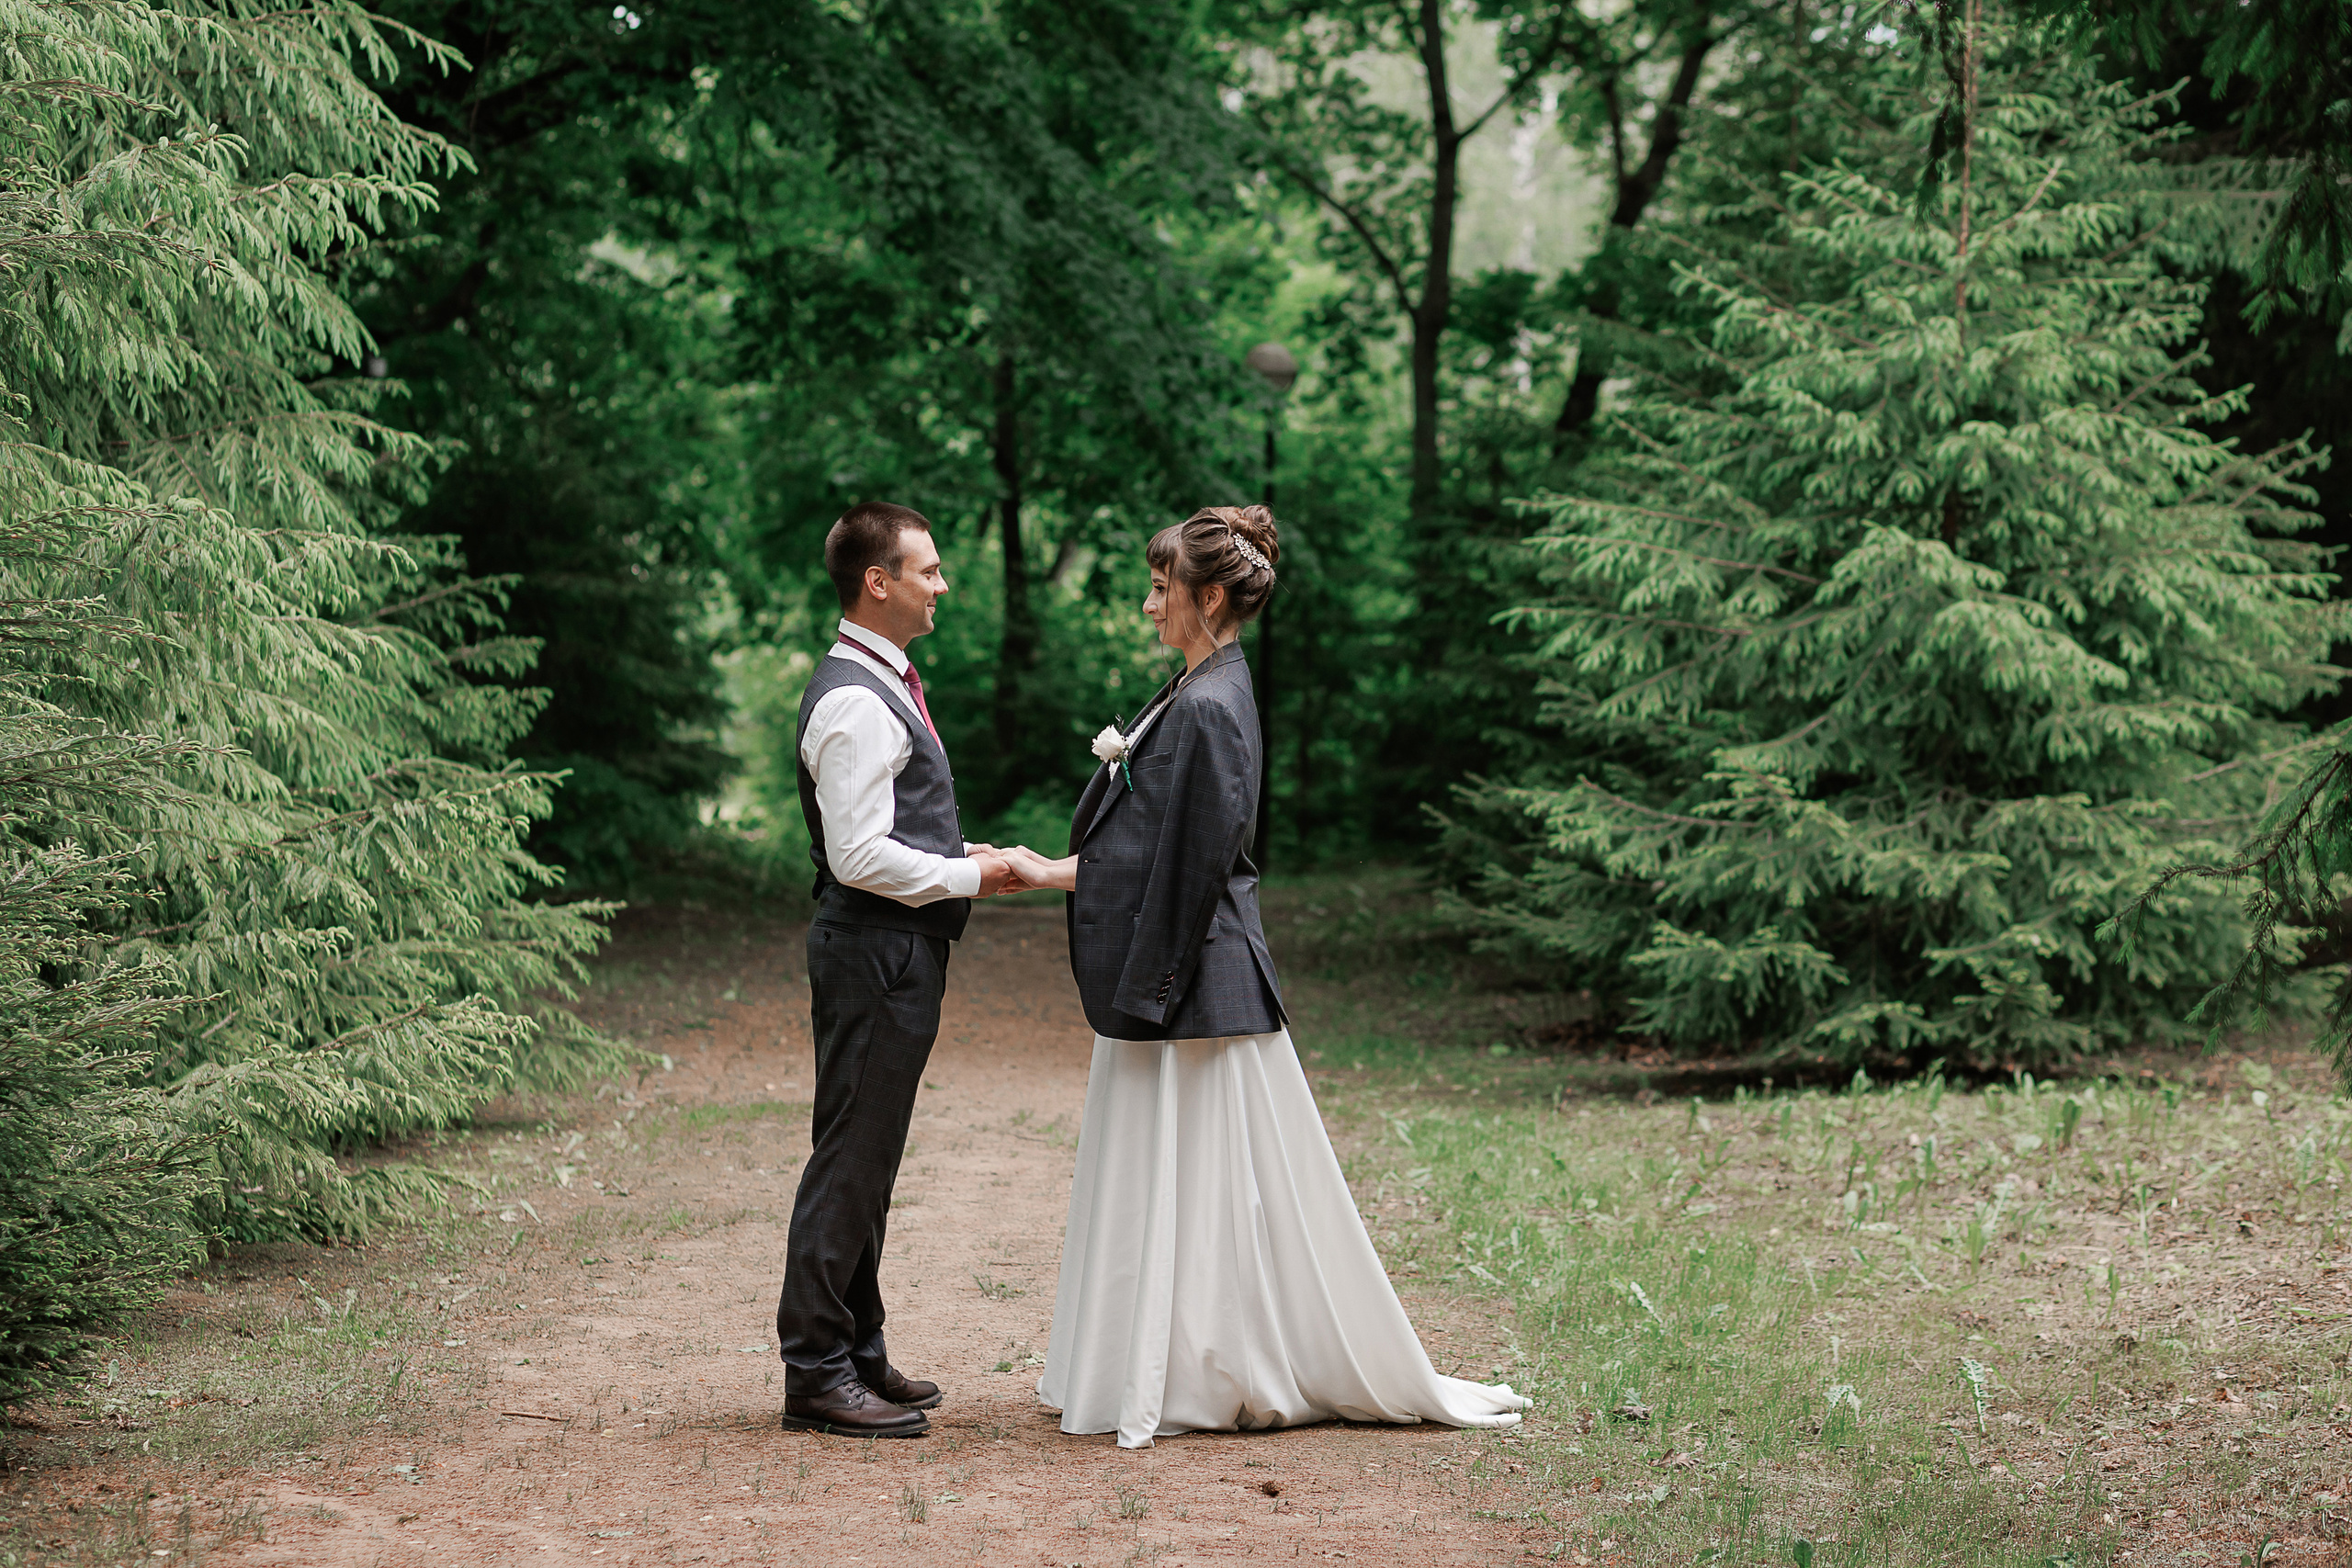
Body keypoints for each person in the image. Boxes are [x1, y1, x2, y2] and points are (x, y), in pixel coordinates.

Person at [1004, 505, 1531, 1450]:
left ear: (1208, 596)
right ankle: (1163, 1359)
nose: (1148, 604)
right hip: (1183, 977)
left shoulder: (1211, 704)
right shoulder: (1197, 687)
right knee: (1183, 1180)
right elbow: (1151, 845)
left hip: (1195, 988)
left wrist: (1137, 981)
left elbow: (1195, 865)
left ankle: (1211, 1369)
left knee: (1212, 1186)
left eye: (1160, 587)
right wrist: (1050, 870)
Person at [776, 502, 1022, 1438]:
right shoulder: (854, 698)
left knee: (869, 1158)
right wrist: (969, 875)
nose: (942, 585)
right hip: (874, 950)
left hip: (892, 949)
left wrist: (962, 852)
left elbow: (889, 829)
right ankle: (815, 1370)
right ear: (878, 582)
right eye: (929, 570)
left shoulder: (880, 681)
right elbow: (858, 856)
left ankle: (856, 1347)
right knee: (850, 1157)